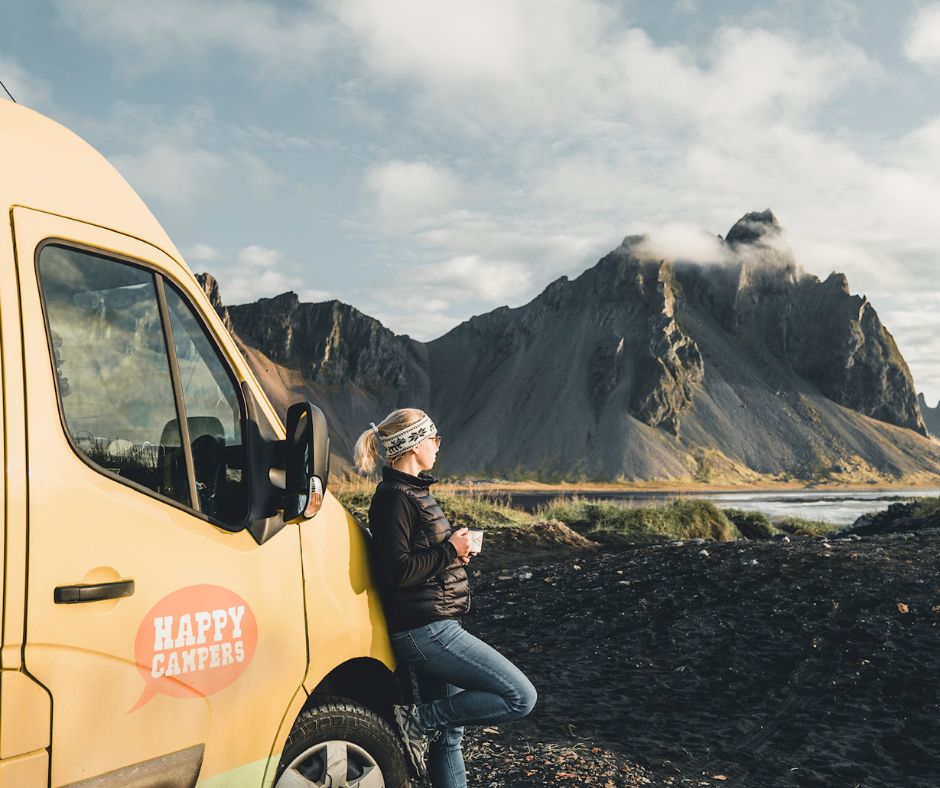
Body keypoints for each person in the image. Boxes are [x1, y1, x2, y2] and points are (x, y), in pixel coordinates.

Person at [354, 408, 537, 787]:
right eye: (432, 437)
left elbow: (418, 561)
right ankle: (416, 719)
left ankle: (426, 722)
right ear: (413, 444)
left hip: (433, 624)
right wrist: (451, 551)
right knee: (520, 696)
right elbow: (398, 571)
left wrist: (458, 552)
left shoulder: (410, 492)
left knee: (448, 736)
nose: (438, 444)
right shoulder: (394, 498)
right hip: (426, 632)